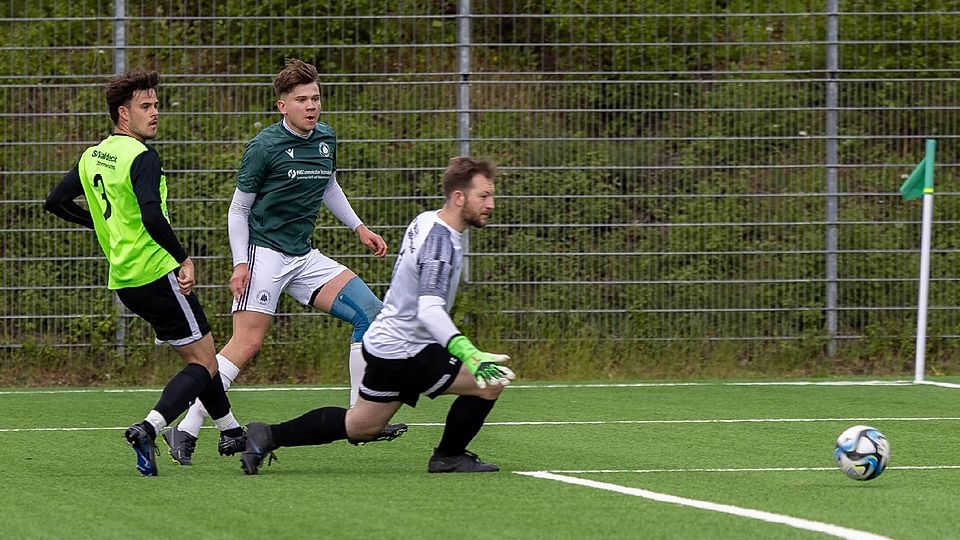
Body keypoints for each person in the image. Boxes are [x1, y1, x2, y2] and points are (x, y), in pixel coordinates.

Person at [162, 58, 405, 465]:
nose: (312, 106)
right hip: (265, 255)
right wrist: (242, 263)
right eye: (301, 99)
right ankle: (184, 428)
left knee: (372, 314)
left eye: (316, 98)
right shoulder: (264, 147)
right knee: (246, 344)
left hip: (303, 254)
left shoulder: (326, 138)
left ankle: (362, 418)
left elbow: (328, 185)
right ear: (282, 106)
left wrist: (359, 227)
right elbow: (237, 211)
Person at [240, 156, 516, 475]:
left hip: (385, 343)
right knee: (489, 383)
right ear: (459, 197)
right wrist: (467, 351)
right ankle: (449, 456)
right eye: (483, 196)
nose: (491, 203)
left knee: (361, 425)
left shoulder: (428, 220)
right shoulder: (440, 243)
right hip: (408, 350)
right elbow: (429, 309)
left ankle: (268, 435)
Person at [44, 70, 245, 476]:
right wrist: (183, 258)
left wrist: (107, 227)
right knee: (205, 365)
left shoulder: (92, 156)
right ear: (123, 113)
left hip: (126, 281)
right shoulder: (142, 157)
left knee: (200, 357)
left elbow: (56, 201)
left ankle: (231, 432)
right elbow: (152, 215)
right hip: (158, 273)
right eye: (145, 107)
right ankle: (150, 427)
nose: (155, 113)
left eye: (156, 105)